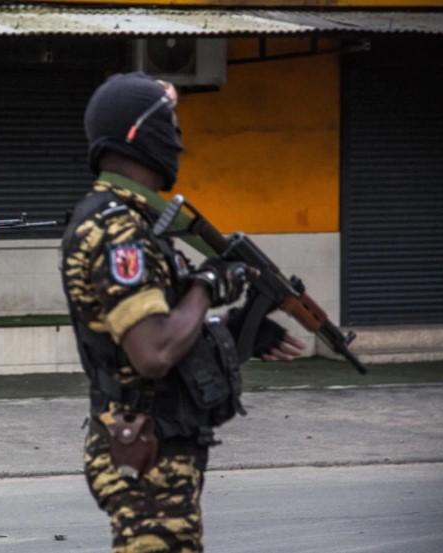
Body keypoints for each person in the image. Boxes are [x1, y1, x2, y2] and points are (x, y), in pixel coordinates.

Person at [60, 73, 304, 552]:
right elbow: (153, 352)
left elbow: (160, 330)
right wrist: (208, 284)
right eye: (171, 126)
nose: (179, 141)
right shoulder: (118, 230)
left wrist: (238, 330)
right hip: (147, 447)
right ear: (141, 133)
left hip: (159, 440)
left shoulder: (132, 222)